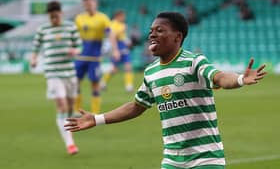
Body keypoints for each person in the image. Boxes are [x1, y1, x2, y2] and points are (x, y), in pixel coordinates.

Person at [65, 12, 267, 168]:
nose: (152, 34)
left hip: (206, 157)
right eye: (151, 30)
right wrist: (97, 119)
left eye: (160, 30)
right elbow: (137, 106)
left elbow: (220, 78)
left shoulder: (193, 61)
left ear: (177, 37)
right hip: (172, 160)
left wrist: (240, 79)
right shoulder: (151, 71)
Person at [30, 0, 81, 155]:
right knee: (62, 106)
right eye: (51, 17)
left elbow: (79, 46)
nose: (54, 19)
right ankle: (70, 143)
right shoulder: (42, 30)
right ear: (48, 15)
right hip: (53, 73)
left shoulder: (71, 27)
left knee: (71, 108)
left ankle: (69, 135)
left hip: (69, 73)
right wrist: (33, 59)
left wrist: (74, 51)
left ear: (61, 13)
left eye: (56, 16)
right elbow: (35, 47)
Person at [74, 0, 120, 114]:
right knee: (75, 83)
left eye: (90, 2)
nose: (88, 5)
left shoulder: (102, 18)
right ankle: (77, 111)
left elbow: (110, 33)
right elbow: (74, 35)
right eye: (86, 3)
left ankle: (95, 113)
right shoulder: (79, 18)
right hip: (80, 57)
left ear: (95, 3)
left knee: (94, 84)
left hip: (94, 58)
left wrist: (115, 49)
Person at [101, 10, 134, 92]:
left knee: (128, 66)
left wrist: (127, 42)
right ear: (117, 16)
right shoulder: (113, 24)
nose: (124, 18)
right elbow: (112, 36)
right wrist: (115, 50)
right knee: (114, 69)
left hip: (123, 46)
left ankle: (128, 86)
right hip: (116, 47)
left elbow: (122, 37)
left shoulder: (122, 24)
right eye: (122, 16)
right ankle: (103, 83)